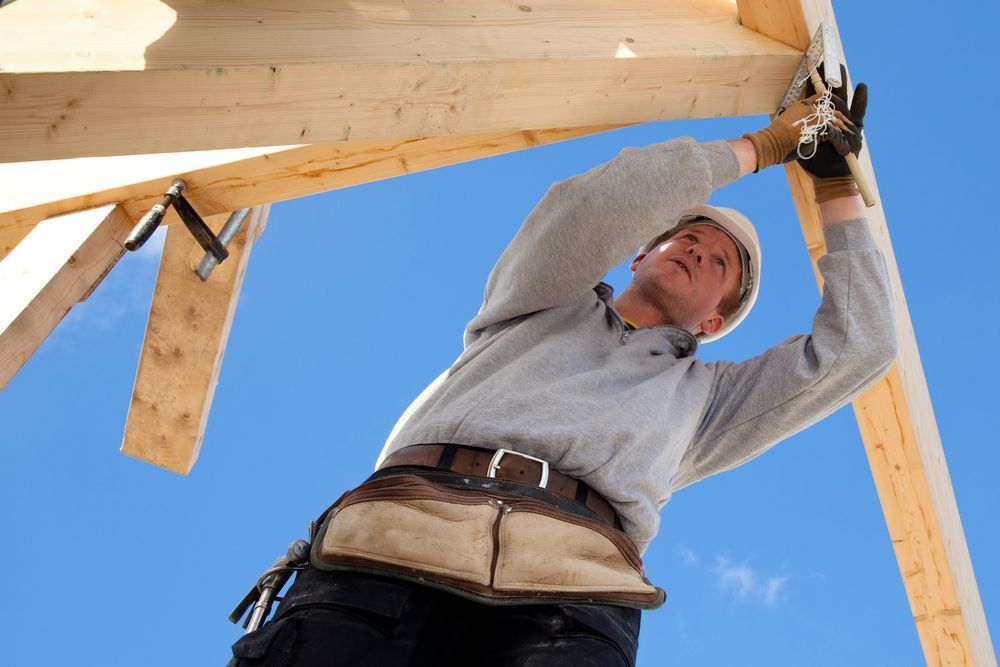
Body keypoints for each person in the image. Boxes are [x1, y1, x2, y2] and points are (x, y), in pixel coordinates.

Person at [229, 79, 896, 666]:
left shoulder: (706, 402)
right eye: (684, 236)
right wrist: (769, 144)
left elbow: (858, 345)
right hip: (399, 541)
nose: (696, 249)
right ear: (638, 256)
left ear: (714, 322)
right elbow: (599, 205)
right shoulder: (536, 302)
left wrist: (834, 182)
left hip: (569, 591)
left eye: (720, 262)